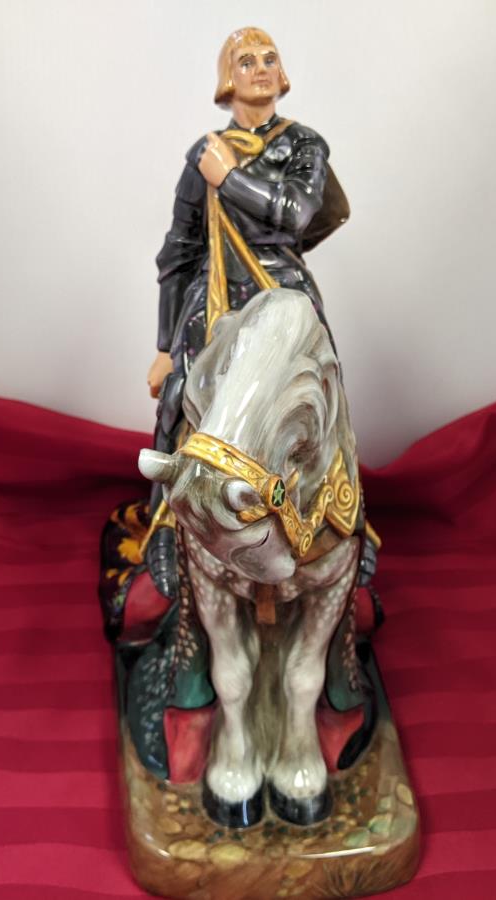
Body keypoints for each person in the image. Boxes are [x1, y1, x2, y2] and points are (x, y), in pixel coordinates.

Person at [143, 26, 368, 598]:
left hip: (281, 287)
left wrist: (230, 178)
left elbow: (294, 213)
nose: (261, 68)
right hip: (216, 294)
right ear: (228, 78)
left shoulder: (304, 145)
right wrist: (165, 346)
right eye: (246, 61)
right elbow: (180, 249)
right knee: (179, 396)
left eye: (269, 58)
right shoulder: (204, 153)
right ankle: (167, 521)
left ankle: (350, 519)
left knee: (324, 394)